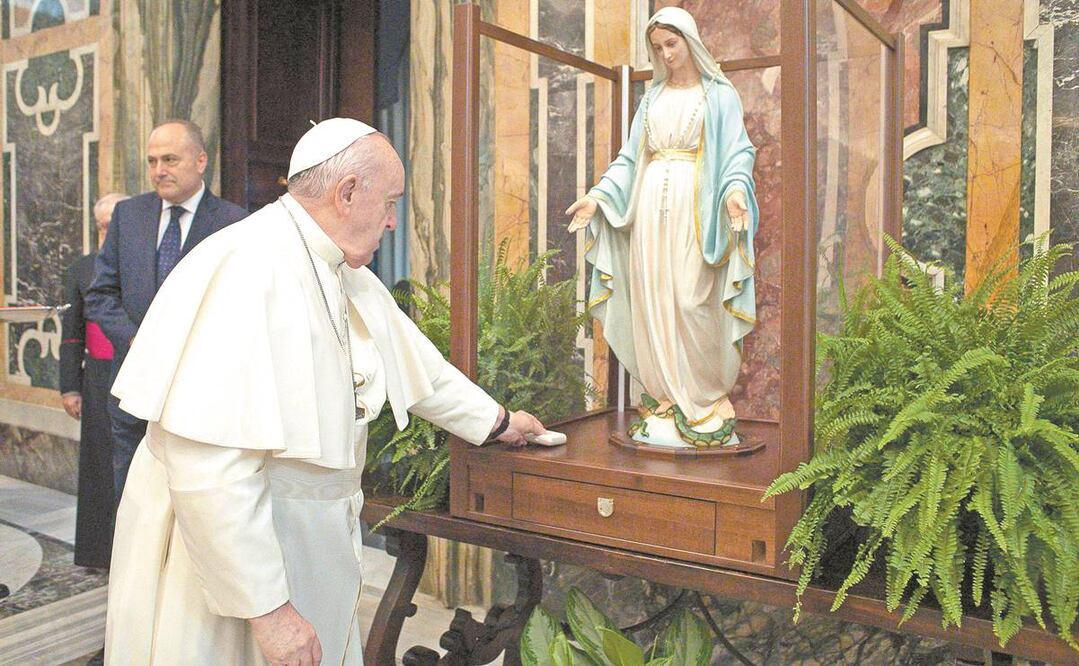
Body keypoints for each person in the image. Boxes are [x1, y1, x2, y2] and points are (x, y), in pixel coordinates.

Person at [102, 118, 546, 665]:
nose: (391, 221)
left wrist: (499, 423)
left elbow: (418, 365)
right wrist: (269, 612)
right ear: (347, 192)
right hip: (234, 567)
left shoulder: (335, 264)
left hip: (307, 543)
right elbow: (208, 465)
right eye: (389, 203)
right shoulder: (246, 267)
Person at [565, 7, 758, 449]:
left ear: (690, 41)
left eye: (672, 44)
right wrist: (597, 197)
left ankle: (705, 399)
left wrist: (734, 191)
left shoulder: (719, 95)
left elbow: (738, 153)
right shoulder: (650, 100)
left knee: (692, 299)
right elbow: (630, 160)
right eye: (657, 48)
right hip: (650, 210)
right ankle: (667, 398)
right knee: (653, 300)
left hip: (697, 210)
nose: (666, 54)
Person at [86, 120, 248, 499]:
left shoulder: (234, 223)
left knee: (191, 508)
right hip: (133, 390)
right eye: (153, 161)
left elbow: (241, 307)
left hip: (202, 397)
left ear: (201, 160)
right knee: (131, 504)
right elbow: (101, 295)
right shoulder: (128, 215)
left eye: (171, 159)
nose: (160, 170)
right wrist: (140, 340)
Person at [59, 193, 128, 569]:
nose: (107, 230)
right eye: (102, 224)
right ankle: (100, 552)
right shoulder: (81, 269)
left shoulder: (141, 266)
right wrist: (70, 386)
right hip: (98, 378)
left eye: (113, 223)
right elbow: (71, 334)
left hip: (136, 372)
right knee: (101, 466)